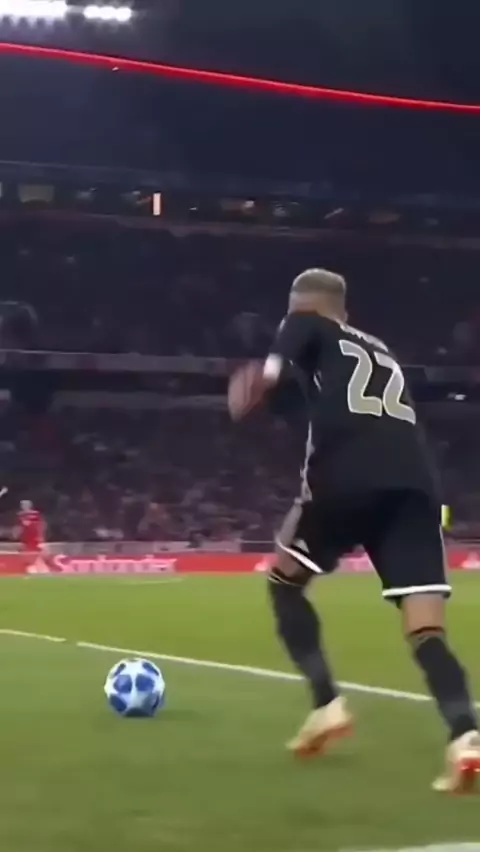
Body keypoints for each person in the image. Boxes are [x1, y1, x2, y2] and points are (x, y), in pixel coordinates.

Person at [228, 268, 480, 793]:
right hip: (414, 486)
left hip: (346, 477)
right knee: (426, 629)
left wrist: (263, 378)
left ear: (308, 305)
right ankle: (466, 737)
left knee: (284, 579)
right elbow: (328, 403)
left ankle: (326, 703)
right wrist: (283, 396)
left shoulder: (307, 322)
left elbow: (284, 352)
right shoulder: (378, 350)